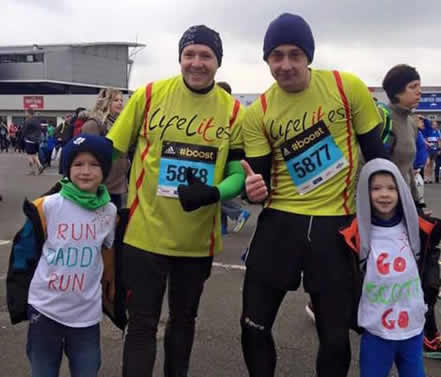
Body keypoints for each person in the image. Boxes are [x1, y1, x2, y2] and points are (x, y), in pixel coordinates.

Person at [240, 13, 388, 377]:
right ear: (267, 60)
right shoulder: (257, 111)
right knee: (252, 326)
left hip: (335, 227)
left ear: (309, 55)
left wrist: (394, 217)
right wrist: (253, 192)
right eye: (277, 56)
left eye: (294, 54)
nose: (286, 65)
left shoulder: (346, 87)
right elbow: (259, 184)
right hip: (279, 224)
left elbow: (377, 157)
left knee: (335, 338)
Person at [106, 25, 245, 377]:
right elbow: (111, 149)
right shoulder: (149, 95)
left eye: (206, 56)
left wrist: (215, 193)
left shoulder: (233, 111)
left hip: (196, 241)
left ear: (218, 62)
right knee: (141, 324)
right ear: (180, 58)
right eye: (190, 54)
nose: (196, 63)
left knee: (184, 323)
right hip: (144, 235)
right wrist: (76, 185)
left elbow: (238, 174)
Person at [6, 133, 117, 377]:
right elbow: (24, 252)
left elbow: (109, 256)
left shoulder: (109, 211)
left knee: (87, 369)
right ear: (67, 168)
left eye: (94, 164)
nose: (85, 171)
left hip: (86, 314)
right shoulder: (48, 206)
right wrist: (19, 297)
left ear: (105, 170)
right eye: (78, 164)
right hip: (45, 310)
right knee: (43, 370)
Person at [340, 158, 441, 376]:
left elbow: (430, 249)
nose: (384, 194)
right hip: (377, 331)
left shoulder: (417, 226)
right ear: (365, 192)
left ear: (402, 192)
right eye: (376, 188)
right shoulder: (355, 232)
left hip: (412, 329)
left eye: (391, 188)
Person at [82, 88, 128, 209]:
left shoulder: (119, 123)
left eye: (121, 100)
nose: (120, 103)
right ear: (106, 102)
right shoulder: (94, 124)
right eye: (115, 100)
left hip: (118, 183)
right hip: (102, 185)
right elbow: (88, 155)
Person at [216, 81, 251, 234]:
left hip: (227, 160)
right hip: (234, 159)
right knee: (220, 193)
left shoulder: (229, 113)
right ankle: (221, 227)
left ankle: (238, 213)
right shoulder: (235, 111)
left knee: (215, 195)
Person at [22, 109, 44, 175]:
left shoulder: (27, 121)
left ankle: (33, 170)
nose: (25, 113)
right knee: (35, 155)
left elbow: (24, 131)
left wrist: (23, 137)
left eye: (26, 112)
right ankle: (40, 166)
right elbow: (40, 129)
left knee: (30, 155)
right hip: (36, 140)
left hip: (29, 139)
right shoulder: (37, 121)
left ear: (29, 113)